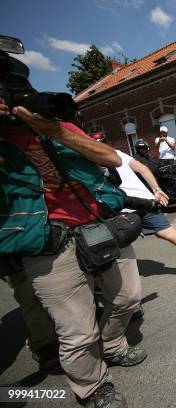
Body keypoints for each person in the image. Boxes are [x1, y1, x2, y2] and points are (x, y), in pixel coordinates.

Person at [0, 95, 144, 408]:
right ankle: (92, 388)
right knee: (77, 331)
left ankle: (113, 344)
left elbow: (111, 158)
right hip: (46, 247)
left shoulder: (57, 127)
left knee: (129, 298)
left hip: (98, 229)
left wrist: (53, 131)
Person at [93, 134, 176, 278]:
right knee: (168, 232)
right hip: (145, 201)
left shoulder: (90, 160)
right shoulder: (118, 154)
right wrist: (156, 190)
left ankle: (117, 284)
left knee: (119, 247)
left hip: (124, 208)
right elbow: (142, 168)